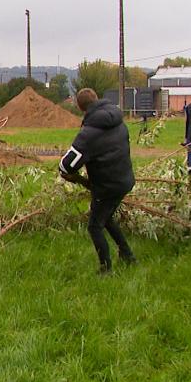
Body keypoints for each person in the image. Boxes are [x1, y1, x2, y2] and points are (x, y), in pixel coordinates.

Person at [59, 88, 136, 274]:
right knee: (106, 217)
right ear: (97, 99)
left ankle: (106, 269)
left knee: (94, 226)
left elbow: (67, 165)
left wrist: (74, 176)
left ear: (80, 107)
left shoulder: (89, 133)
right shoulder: (119, 121)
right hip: (124, 180)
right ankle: (127, 255)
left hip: (107, 187)